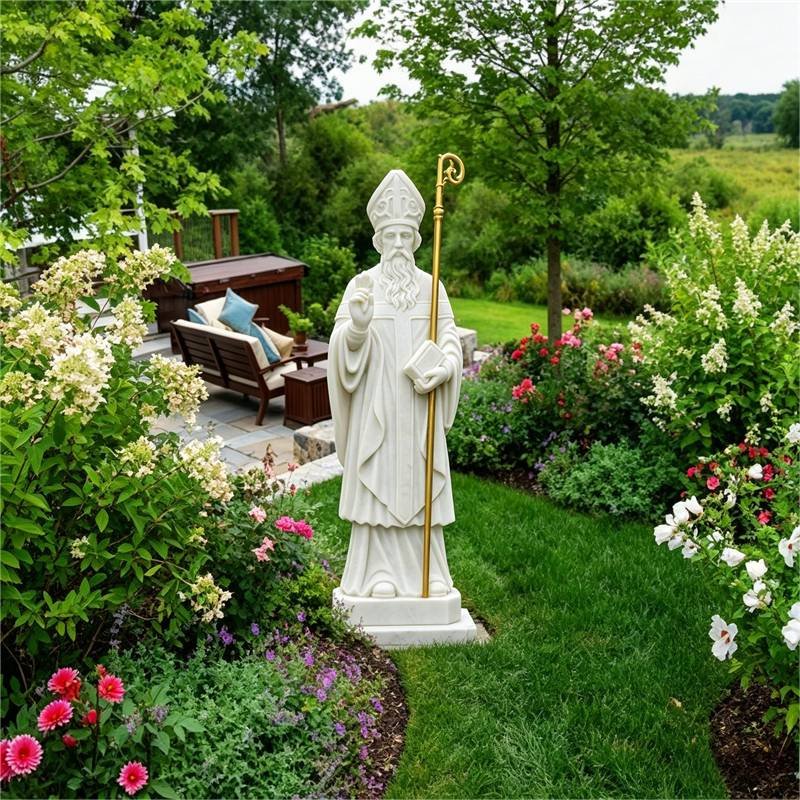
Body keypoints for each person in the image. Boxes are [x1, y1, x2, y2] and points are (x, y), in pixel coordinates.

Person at [328, 169, 463, 599]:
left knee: (421, 480)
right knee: (379, 481)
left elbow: (450, 339)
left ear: (417, 240)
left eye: (407, 236)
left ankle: (429, 570)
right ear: (379, 241)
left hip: (420, 408)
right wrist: (357, 328)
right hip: (378, 407)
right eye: (392, 237)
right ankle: (377, 573)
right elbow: (340, 350)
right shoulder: (361, 286)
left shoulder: (431, 287)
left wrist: (445, 367)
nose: (400, 244)